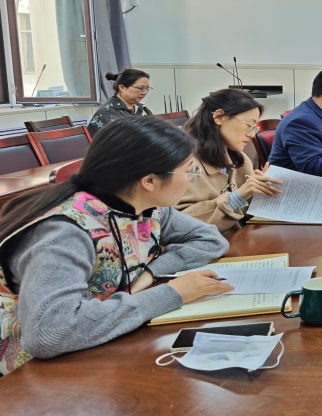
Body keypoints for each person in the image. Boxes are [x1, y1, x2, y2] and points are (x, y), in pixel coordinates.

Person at [0, 117, 232, 375]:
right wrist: (172, 293)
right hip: (32, 373)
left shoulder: (147, 207)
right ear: (150, 181)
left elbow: (210, 240)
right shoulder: (64, 232)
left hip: (98, 341)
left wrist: (149, 274)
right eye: (189, 171)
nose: (191, 180)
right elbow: (49, 332)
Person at [177, 89, 282, 233]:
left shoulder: (239, 158)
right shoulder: (185, 162)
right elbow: (178, 225)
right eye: (249, 125)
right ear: (219, 117)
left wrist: (260, 193)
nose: (252, 135)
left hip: (240, 239)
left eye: (254, 128)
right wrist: (238, 197)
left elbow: (246, 212)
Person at [87, 69, 154, 136]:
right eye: (140, 88)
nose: (144, 93)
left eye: (147, 89)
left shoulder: (142, 108)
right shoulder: (108, 111)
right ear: (122, 87)